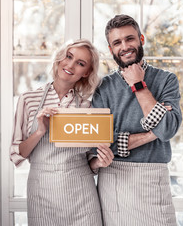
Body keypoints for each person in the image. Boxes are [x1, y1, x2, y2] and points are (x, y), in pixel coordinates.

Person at [10, 39, 114, 226]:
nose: (70, 65)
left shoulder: (87, 107)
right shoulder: (28, 100)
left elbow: (90, 162)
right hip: (42, 190)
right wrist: (40, 131)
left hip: (81, 193)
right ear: (60, 58)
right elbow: (18, 153)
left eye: (80, 63)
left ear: (87, 72)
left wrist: (100, 161)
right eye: (69, 57)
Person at [92, 14, 182, 226]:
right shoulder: (103, 88)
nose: (125, 46)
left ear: (141, 39)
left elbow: (167, 130)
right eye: (117, 42)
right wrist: (152, 134)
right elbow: (102, 142)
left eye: (129, 39)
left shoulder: (166, 80)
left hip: (152, 177)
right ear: (111, 48)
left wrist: (138, 84)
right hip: (114, 179)